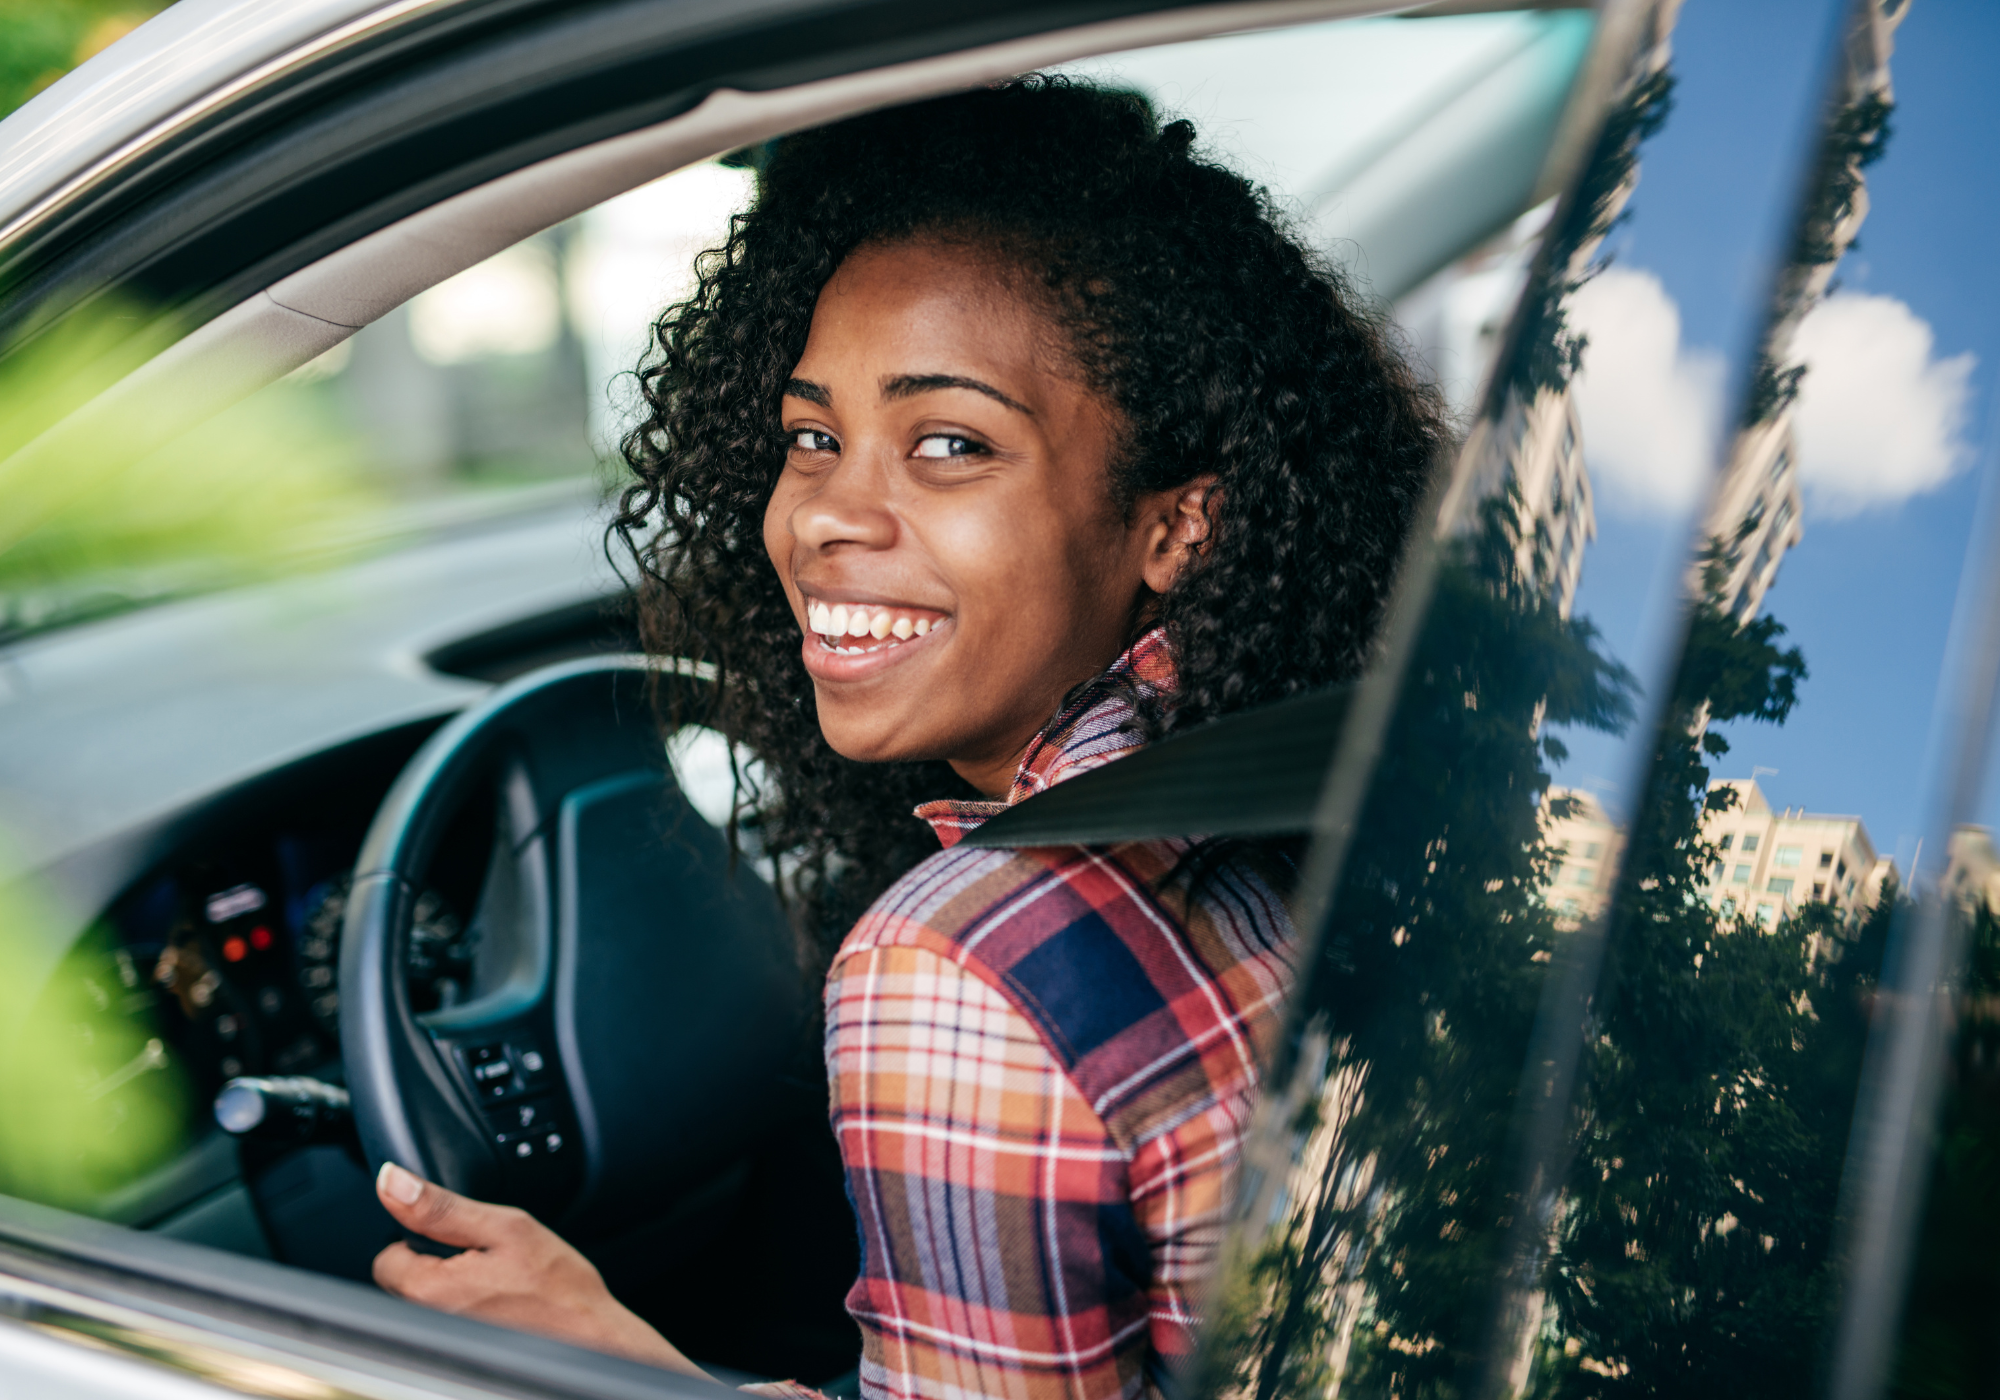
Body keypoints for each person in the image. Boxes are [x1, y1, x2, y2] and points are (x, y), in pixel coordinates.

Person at [367, 76, 1442, 1400]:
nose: (823, 515)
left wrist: (609, 1364)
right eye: (814, 436)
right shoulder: (1328, 772)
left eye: (947, 444)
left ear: (1175, 526)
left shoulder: (957, 971)